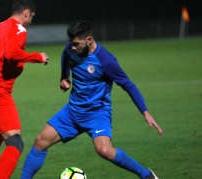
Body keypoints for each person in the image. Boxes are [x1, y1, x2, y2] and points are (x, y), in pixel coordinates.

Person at [20, 20, 163, 179]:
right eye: (71, 43)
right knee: (40, 141)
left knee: (104, 150)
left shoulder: (106, 60)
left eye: (76, 43)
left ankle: (146, 175)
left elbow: (128, 85)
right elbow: (66, 56)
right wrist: (64, 77)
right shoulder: (71, 50)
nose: (72, 47)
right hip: (72, 112)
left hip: (97, 114)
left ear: (89, 40)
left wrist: (145, 112)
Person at [0, 0, 49, 179]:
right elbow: (12, 54)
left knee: (2, 128)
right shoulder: (19, 29)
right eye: (31, 17)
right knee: (15, 143)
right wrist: (38, 57)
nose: (30, 22)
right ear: (27, 13)